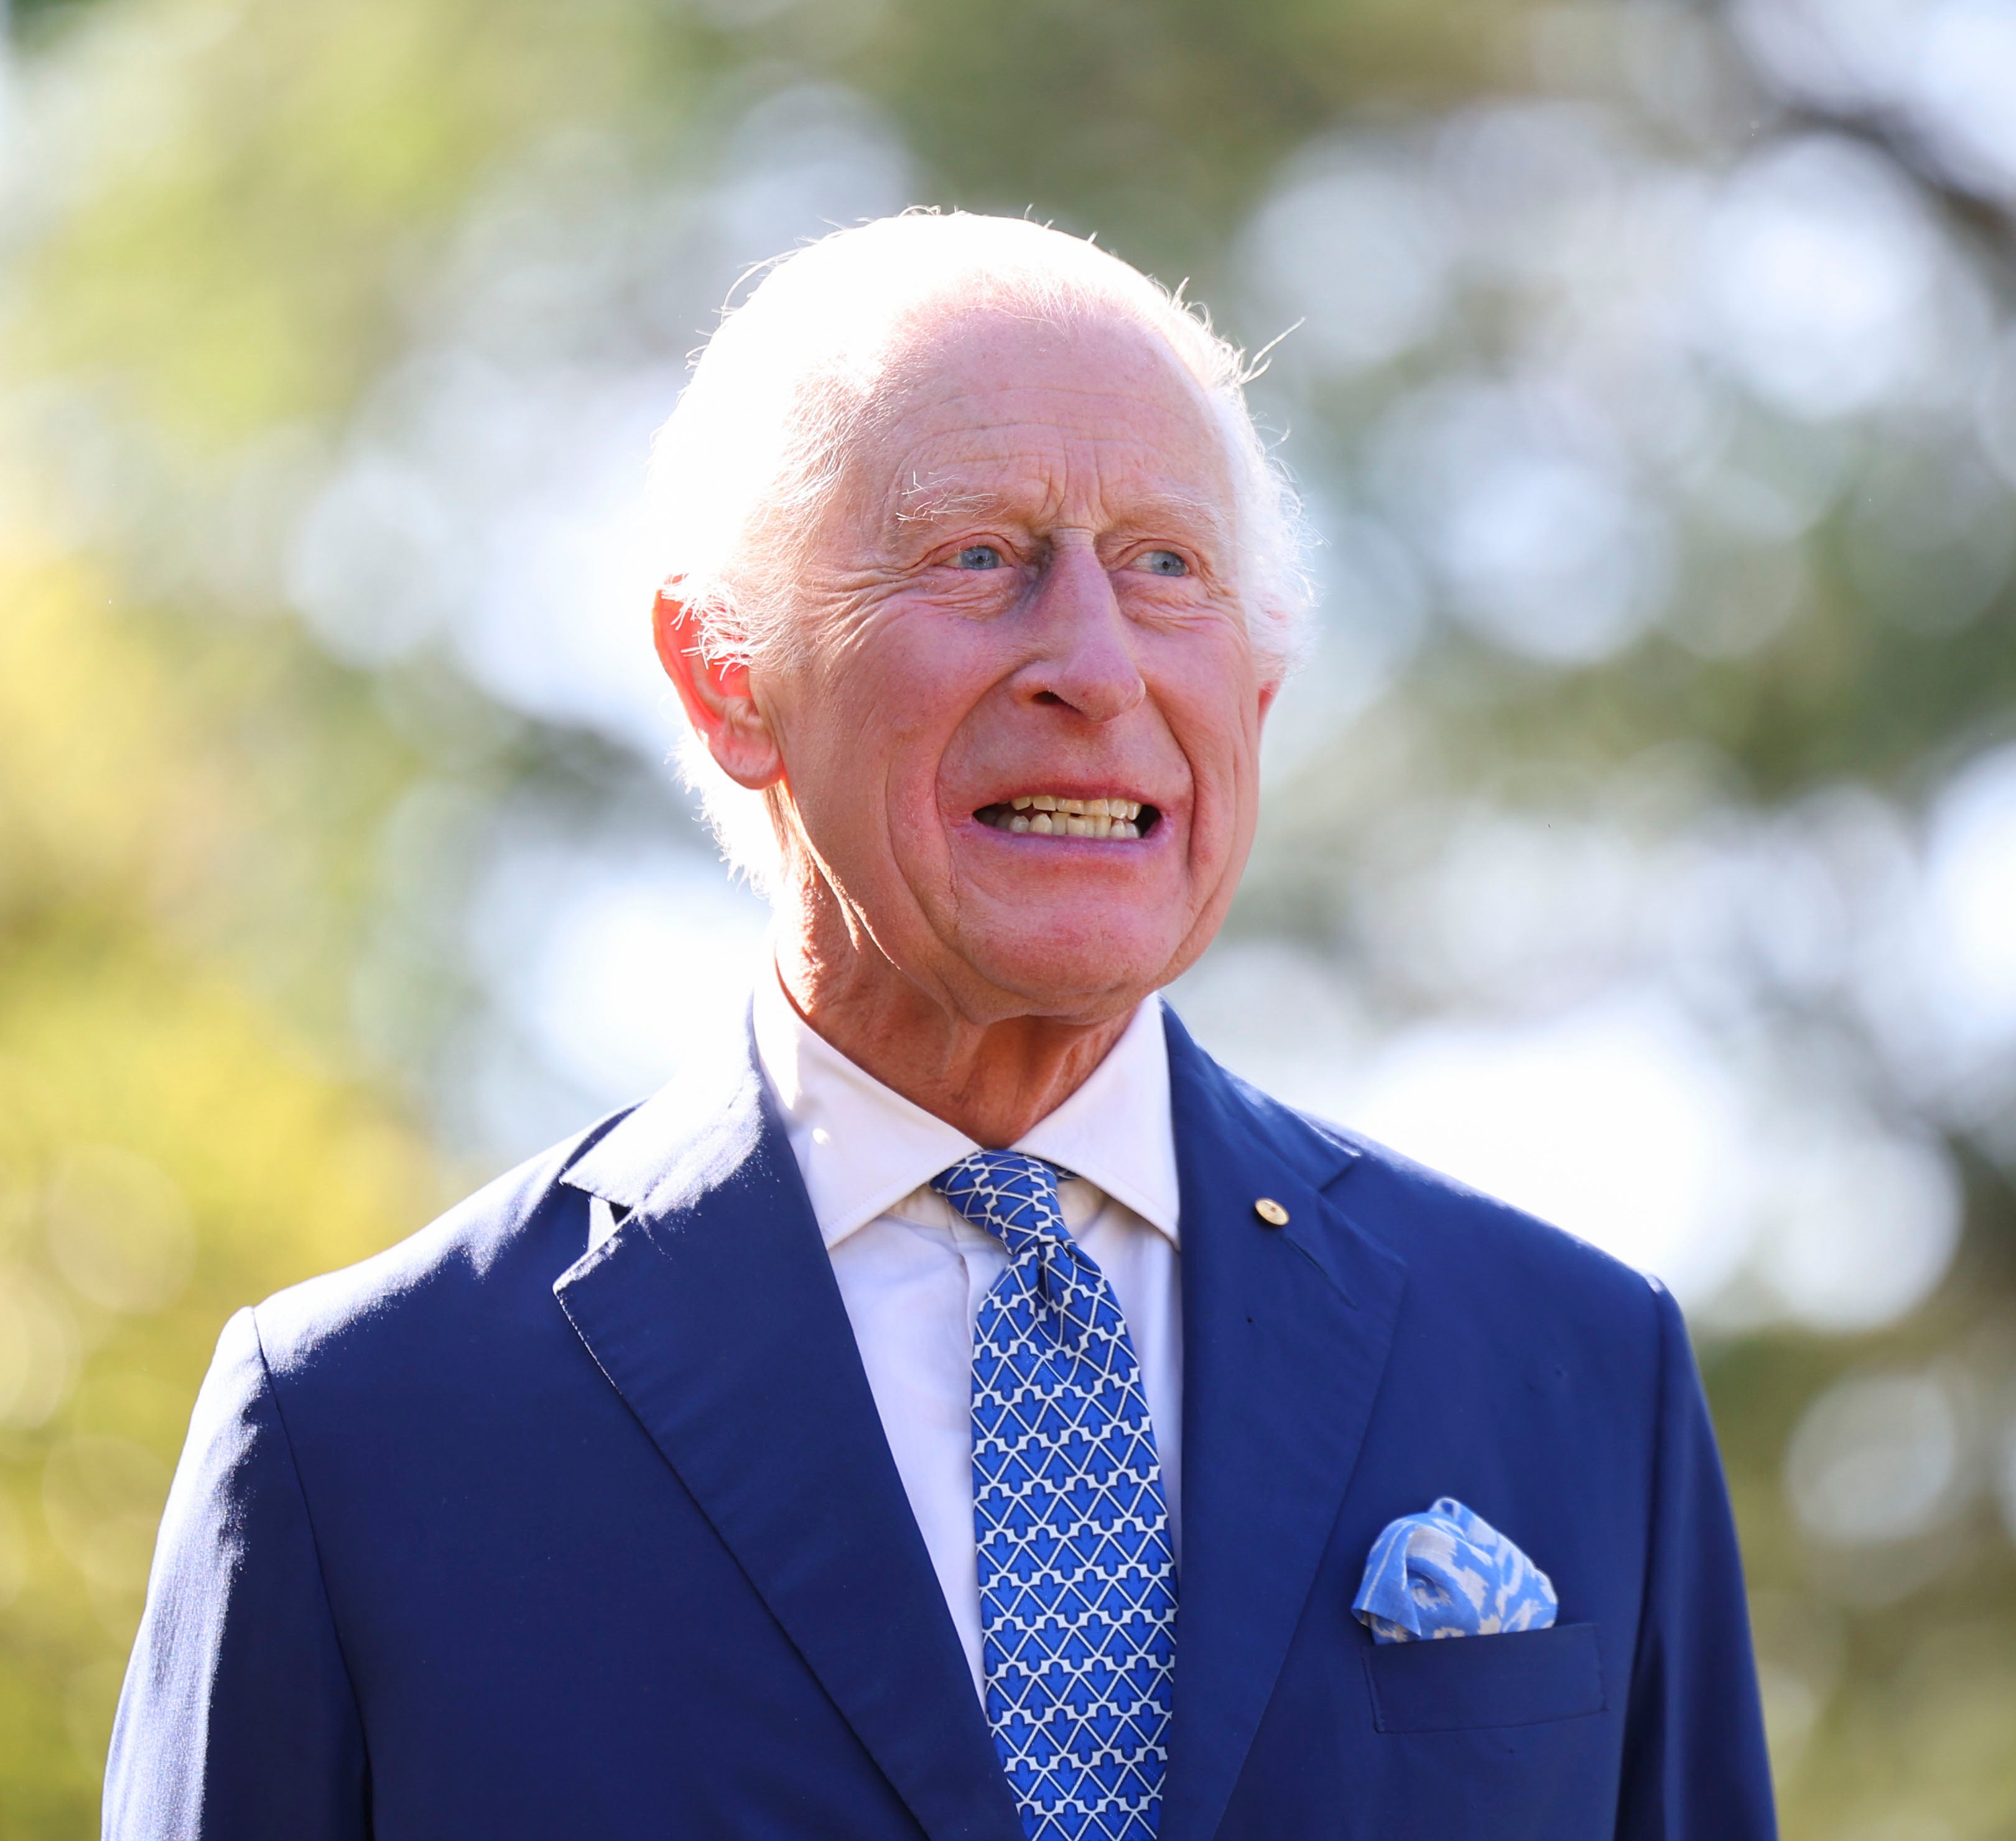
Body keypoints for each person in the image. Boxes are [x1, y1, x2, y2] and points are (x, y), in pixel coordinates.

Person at [103, 211, 1775, 1840]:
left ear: (1257, 693)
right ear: (724, 675)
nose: (1096, 665)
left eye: (1167, 567)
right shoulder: (360, 1433)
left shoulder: (1576, 1371)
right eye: (977, 555)